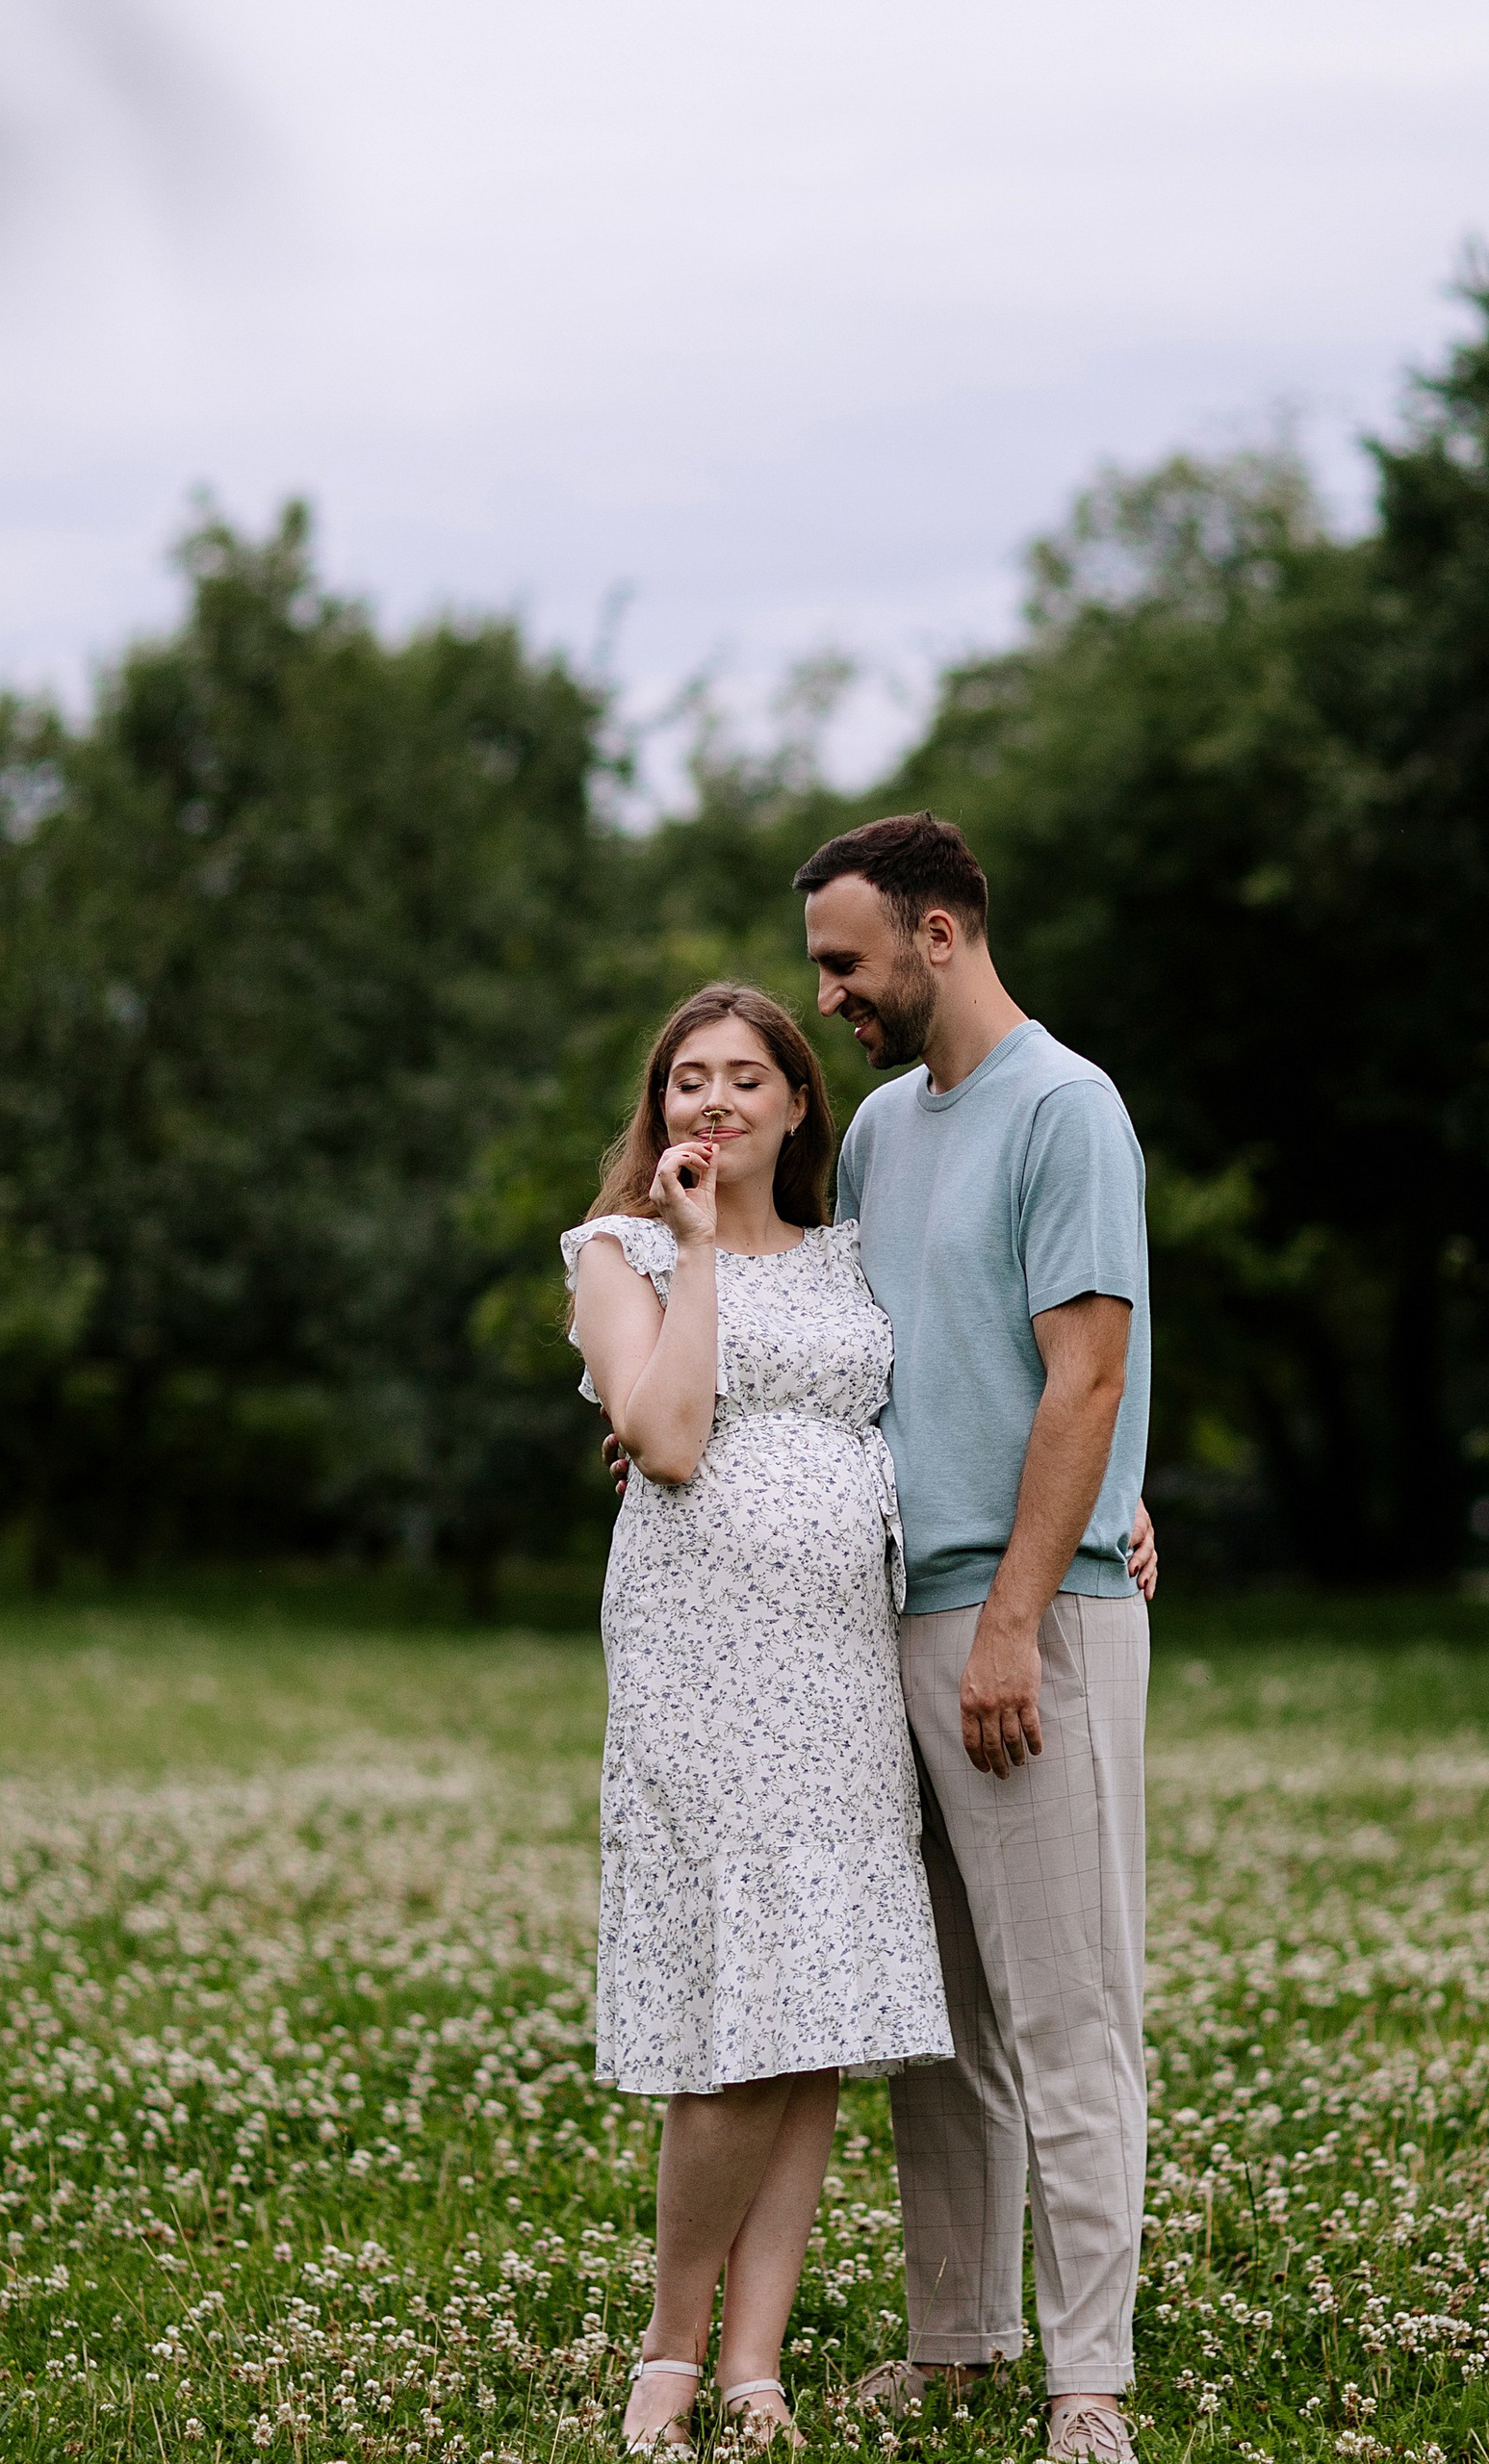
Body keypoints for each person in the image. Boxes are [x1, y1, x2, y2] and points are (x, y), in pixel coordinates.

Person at [794, 812, 1155, 2464]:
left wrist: (1025, 1606)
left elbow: (1088, 1372)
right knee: (931, 2019)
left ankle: (1092, 2385)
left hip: (1026, 1625)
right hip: (889, 1619)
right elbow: (866, 1351)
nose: (833, 999)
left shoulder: (1067, 1110)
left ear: (940, 938)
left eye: (849, 964)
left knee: (1067, 2011)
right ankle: (961, 2346)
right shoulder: (877, 1130)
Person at [563, 982, 956, 2457]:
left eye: (744, 1081)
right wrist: (703, 1249)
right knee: (738, 2013)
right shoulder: (621, 1254)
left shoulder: (855, 1258)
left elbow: (955, 1404)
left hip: (841, 1668)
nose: (712, 1104)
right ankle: (669, 2351)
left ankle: (756, 2365)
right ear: (659, 1113)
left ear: (798, 1103)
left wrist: (1116, 1508)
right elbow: (664, 1439)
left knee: (813, 2021)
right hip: (705, 1661)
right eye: (686, 1083)